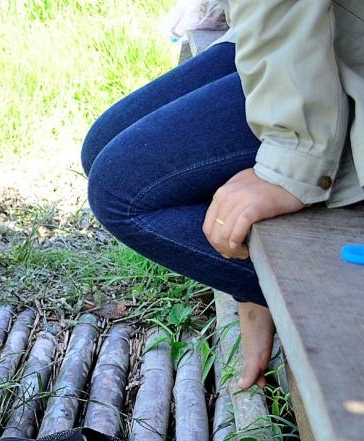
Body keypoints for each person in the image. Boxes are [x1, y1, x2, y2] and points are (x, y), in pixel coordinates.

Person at [83, 0, 363, 389]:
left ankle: (330, 302)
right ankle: (255, 284)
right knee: (99, 147)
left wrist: (291, 157)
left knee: (121, 190)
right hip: (316, 28)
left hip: (334, 50)